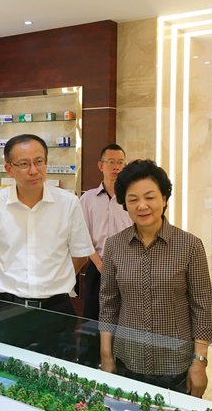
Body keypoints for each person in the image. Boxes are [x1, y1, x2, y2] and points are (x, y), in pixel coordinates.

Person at [0, 134, 94, 360]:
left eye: (39, 162)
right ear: (9, 169)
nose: (34, 170)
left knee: (57, 376)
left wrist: (54, 281)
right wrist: (8, 285)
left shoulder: (68, 203)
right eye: (24, 164)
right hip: (8, 310)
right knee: (1, 374)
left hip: (56, 310)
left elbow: (80, 256)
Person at [99, 159, 212, 397]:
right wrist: (106, 357)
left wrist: (200, 362)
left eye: (150, 197)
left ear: (164, 199)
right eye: (133, 199)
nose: (142, 205)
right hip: (128, 359)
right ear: (125, 204)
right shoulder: (114, 246)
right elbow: (108, 305)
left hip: (175, 363)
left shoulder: (190, 246)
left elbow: (201, 309)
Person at [79, 144, 132, 368]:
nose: (116, 167)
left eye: (120, 162)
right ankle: (91, 364)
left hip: (128, 269)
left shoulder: (130, 198)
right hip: (97, 267)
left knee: (125, 318)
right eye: (111, 162)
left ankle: (121, 364)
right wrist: (99, 263)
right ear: (101, 166)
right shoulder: (88, 199)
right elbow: (82, 236)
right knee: (93, 317)